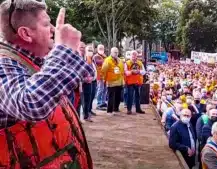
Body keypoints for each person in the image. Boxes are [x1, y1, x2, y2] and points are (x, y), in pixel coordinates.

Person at [0, 1, 93, 167]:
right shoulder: (3, 64)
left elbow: (88, 76)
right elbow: (29, 103)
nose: (53, 29)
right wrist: (63, 51)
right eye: (46, 24)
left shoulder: (36, 60)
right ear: (26, 34)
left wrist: (69, 51)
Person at [101, 47, 124, 115]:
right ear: (111, 52)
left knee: (118, 97)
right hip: (111, 82)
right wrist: (104, 80)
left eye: (117, 52)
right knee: (111, 97)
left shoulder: (120, 60)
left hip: (119, 82)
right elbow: (103, 71)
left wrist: (122, 80)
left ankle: (116, 109)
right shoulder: (107, 60)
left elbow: (122, 70)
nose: (116, 53)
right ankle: (109, 111)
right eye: (115, 52)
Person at [124, 50, 146, 115]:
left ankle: (138, 109)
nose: (134, 56)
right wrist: (132, 72)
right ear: (131, 56)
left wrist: (139, 71)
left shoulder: (140, 63)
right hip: (130, 82)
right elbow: (125, 72)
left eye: (135, 55)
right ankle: (129, 109)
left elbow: (144, 72)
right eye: (133, 55)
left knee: (138, 96)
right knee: (130, 96)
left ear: (137, 56)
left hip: (138, 82)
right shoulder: (127, 63)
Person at [95, 44, 107, 110]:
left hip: (105, 76)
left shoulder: (104, 56)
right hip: (99, 76)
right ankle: (99, 103)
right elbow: (99, 62)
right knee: (100, 89)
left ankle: (103, 102)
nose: (101, 49)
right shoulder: (96, 56)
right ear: (97, 49)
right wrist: (105, 60)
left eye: (102, 48)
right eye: (100, 48)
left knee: (105, 89)